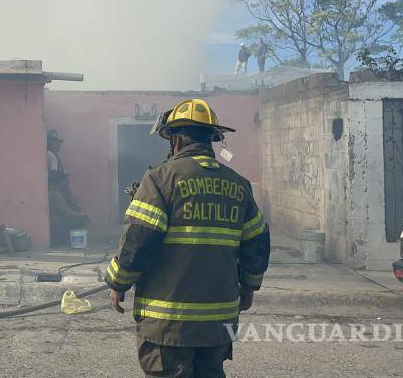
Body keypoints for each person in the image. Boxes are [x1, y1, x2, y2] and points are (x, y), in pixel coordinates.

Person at [105, 98, 271, 377]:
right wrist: (249, 286)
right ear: (212, 138)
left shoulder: (159, 180)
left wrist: (118, 282)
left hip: (169, 325)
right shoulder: (239, 185)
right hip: (217, 325)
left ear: (177, 139)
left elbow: (139, 239)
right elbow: (257, 242)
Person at [48, 171, 88, 247]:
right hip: (57, 225)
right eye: (66, 181)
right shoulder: (54, 195)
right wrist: (83, 215)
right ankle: (60, 239)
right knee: (79, 220)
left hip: (61, 221)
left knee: (77, 211)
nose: (68, 183)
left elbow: (71, 207)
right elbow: (68, 213)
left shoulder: (60, 193)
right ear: (60, 183)